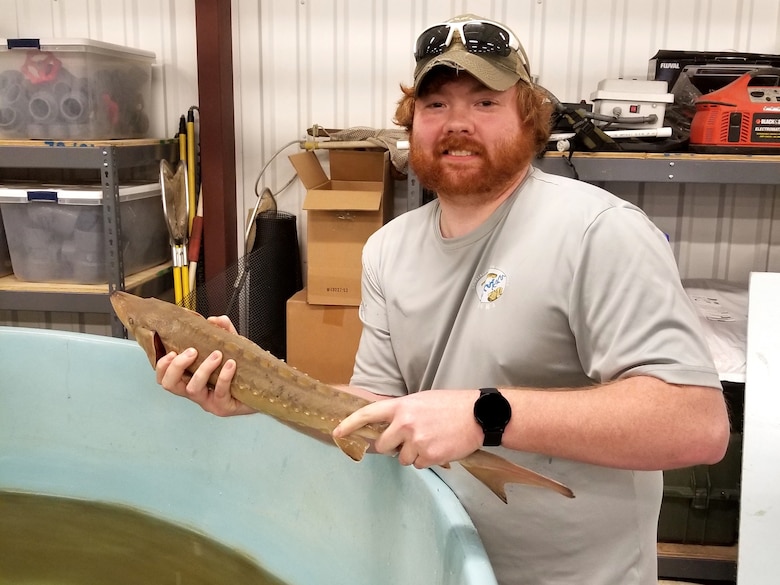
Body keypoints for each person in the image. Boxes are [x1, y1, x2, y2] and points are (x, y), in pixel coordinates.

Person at [156, 13, 730, 585]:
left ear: (528, 118)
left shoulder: (598, 231)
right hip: (435, 556)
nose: (458, 123)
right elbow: (374, 406)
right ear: (412, 122)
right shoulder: (388, 249)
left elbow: (695, 424)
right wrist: (252, 389)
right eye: (435, 105)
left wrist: (485, 414)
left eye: (485, 102)